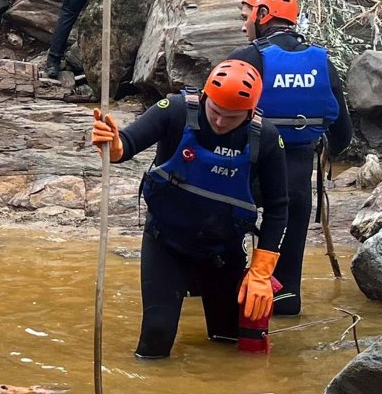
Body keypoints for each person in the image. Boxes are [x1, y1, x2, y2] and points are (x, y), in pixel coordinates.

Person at [91, 60, 289, 358]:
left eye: (232, 117)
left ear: (249, 114)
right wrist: (114, 145)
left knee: (229, 342)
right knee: (156, 337)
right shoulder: (174, 109)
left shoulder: (267, 139)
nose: (221, 122)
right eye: (216, 112)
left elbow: (278, 208)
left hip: (223, 252)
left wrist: (260, 274)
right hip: (166, 242)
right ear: (206, 97)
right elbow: (127, 144)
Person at [226, 0, 351, 316]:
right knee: (287, 295)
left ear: (262, 15)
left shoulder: (246, 58)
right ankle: (282, 302)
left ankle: (233, 300)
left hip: (246, 178)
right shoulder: (322, 61)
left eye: (245, 16)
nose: (243, 26)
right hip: (296, 179)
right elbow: (343, 135)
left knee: (228, 280)